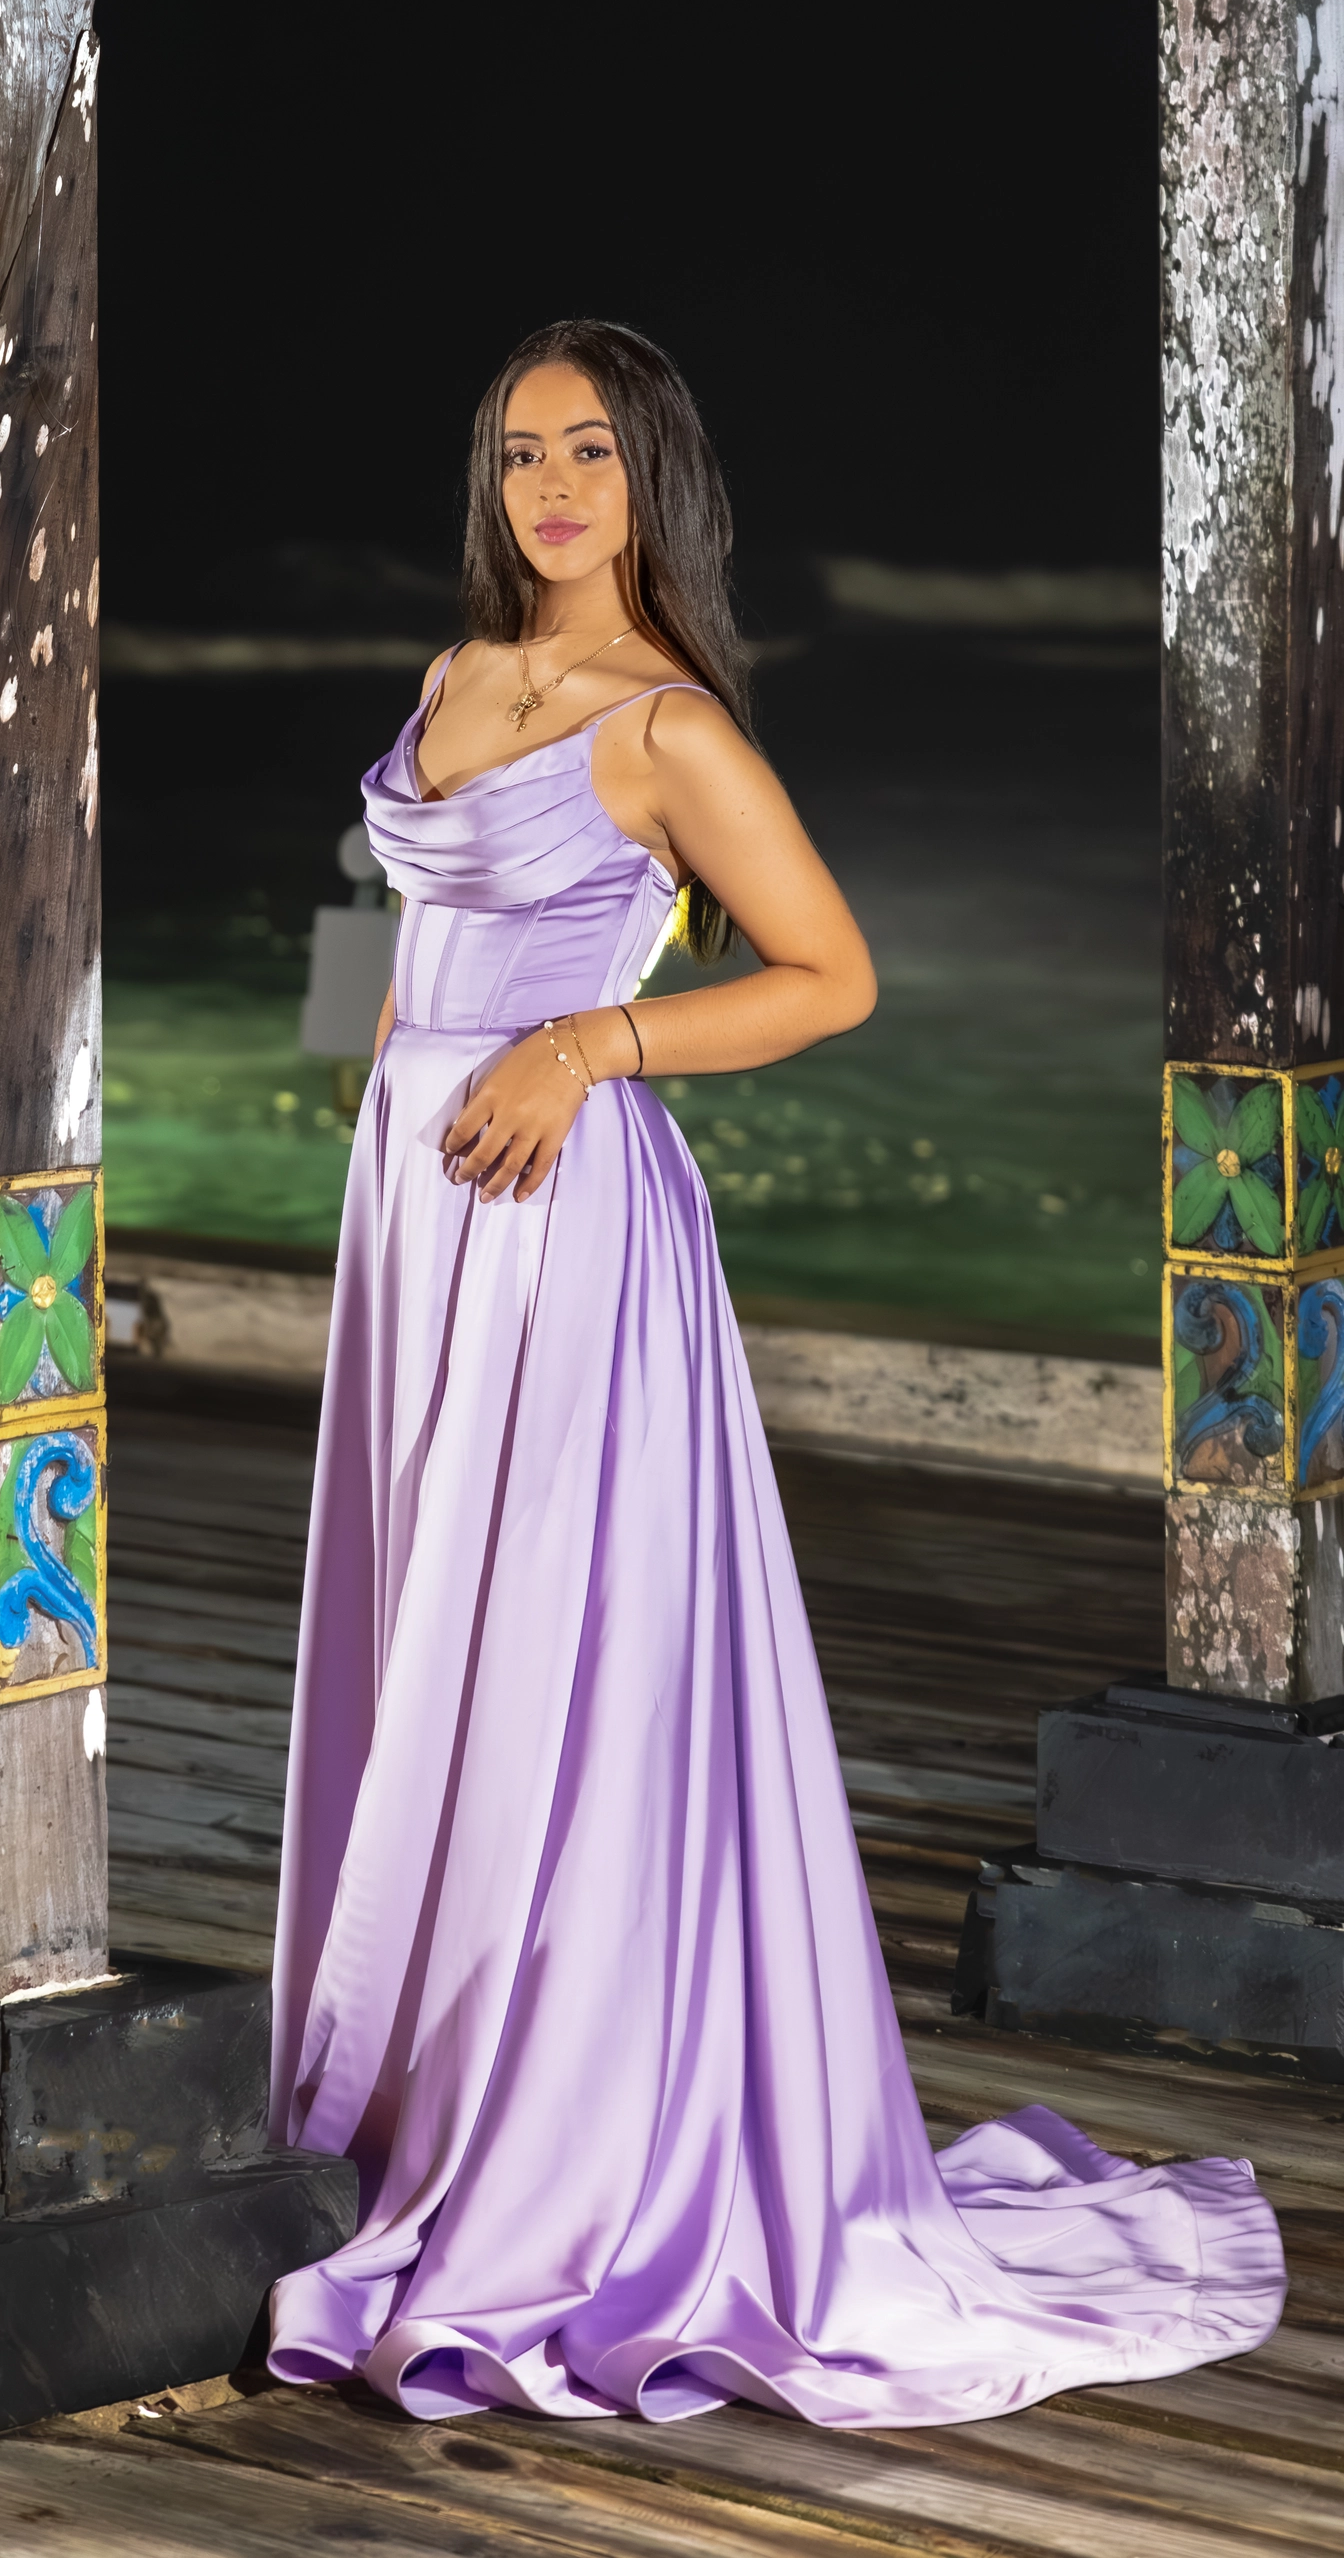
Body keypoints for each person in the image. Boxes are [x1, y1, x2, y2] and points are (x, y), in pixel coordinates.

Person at [265, 316, 1282, 2424]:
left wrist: (587, 1040)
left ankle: (573, 2152)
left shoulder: (664, 729)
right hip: (420, 1221)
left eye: (588, 451)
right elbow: (387, 906)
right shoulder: (452, 682)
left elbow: (831, 972)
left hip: (569, 1230)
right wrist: (357, 1073)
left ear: (651, 478)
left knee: (561, 1668)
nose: (548, 485)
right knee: (426, 1651)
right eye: (516, 449)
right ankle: (432, 2083)